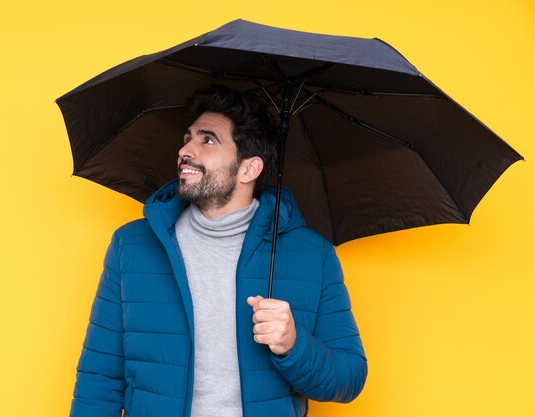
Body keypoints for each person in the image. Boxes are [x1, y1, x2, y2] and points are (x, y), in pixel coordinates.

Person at [69, 86, 367, 417]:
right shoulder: (131, 246)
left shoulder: (314, 255)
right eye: (188, 138)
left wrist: (294, 345)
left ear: (249, 169)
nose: (186, 150)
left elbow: (348, 377)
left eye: (207, 140)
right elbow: (99, 378)